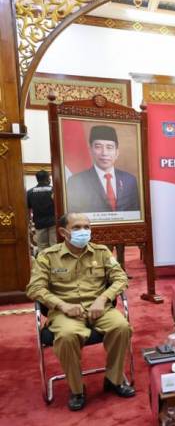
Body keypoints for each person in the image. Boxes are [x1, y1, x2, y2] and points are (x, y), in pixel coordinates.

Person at [26, 213, 135, 411]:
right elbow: (34, 288)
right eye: (76, 228)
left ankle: (113, 379)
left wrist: (103, 298)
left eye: (87, 227)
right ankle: (77, 389)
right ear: (63, 232)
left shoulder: (101, 252)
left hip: (98, 309)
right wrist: (62, 305)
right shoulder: (48, 256)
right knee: (67, 336)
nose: (83, 231)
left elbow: (121, 278)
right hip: (66, 312)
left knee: (121, 327)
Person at [66, 125, 140, 213]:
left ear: (117, 153)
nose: (104, 153)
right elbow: (74, 215)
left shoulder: (130, 180)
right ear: (90, 150)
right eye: (98, 147)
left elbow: (135, 211)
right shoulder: (76, 181)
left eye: (109, 147)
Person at [26, 170, 57, 252]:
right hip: (53, 222)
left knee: (42, 247)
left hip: (39, 223)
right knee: (55, 245)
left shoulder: (30, 192)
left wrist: (28, 224)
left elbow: (28, 210)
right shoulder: (54, 190)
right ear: (48, 178)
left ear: (37, 179)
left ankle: (44, 260)